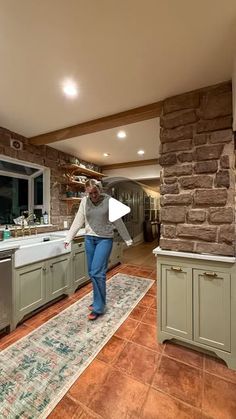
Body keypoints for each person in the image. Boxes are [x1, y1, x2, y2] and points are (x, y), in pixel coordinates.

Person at [64, 179, 133, 320]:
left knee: (97, 272)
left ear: (100, 190)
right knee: (92, 273)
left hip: (104, 239)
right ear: (86, 192)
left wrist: (127, 239)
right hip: (89, 239)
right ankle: (98, 301)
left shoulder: (109, 201)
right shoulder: (84, 201)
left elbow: (118, 221)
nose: (93, 196)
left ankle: (99, 307)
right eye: (90, 193)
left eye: (95, 192)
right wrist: (68, 238)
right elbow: (78, 220)